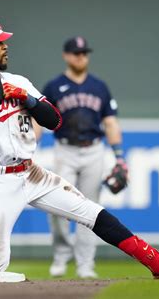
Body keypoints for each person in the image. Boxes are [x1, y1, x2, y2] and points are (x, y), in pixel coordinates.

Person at [0, 19, 159, 279]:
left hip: (31, 172)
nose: (5, 47)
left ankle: (156, 261)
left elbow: (54, 119)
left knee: (92, 213)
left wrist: (28, 98)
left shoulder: (19, 81)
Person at [39, 36, 124, 278]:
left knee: (91, 209)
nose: (81, 57)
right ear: (66, 56)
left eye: (84, 53)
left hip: (94, 150)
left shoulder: (99, 87)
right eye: (76, 53)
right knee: (56, 204)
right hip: (65, 149)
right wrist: (30, 147)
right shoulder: (53, 87)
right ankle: (62, 255)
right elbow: (38, 120)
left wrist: (120, 157)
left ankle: (86, 263)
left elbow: (110, 122)